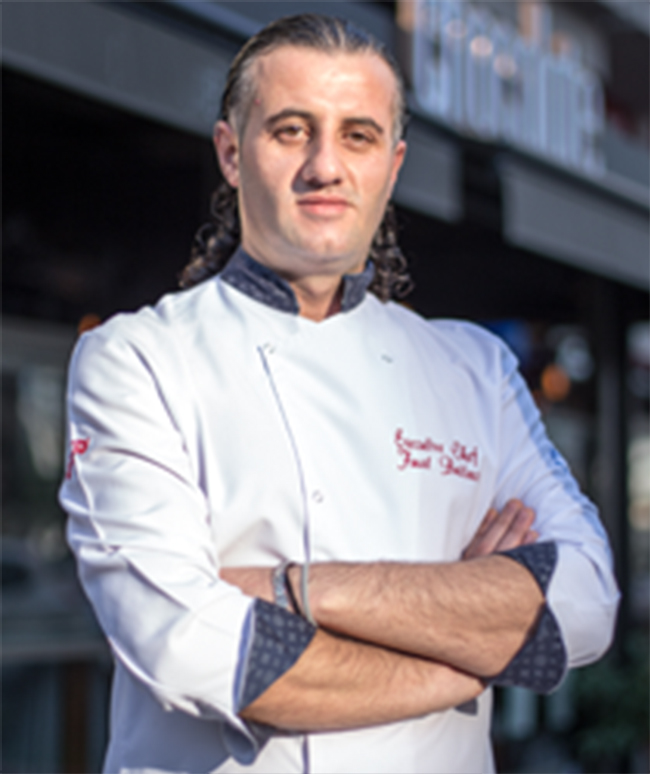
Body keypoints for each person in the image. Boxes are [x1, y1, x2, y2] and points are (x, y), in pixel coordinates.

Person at [59, 14, 619, 774]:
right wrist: (469, 652)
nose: (325, 166)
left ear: (393, 164)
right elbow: (191, 647)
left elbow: (584, 603)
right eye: (292, 131)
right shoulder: (138, 360)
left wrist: (293, 589)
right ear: (231, 152)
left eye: (358, 136)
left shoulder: (475, 369)